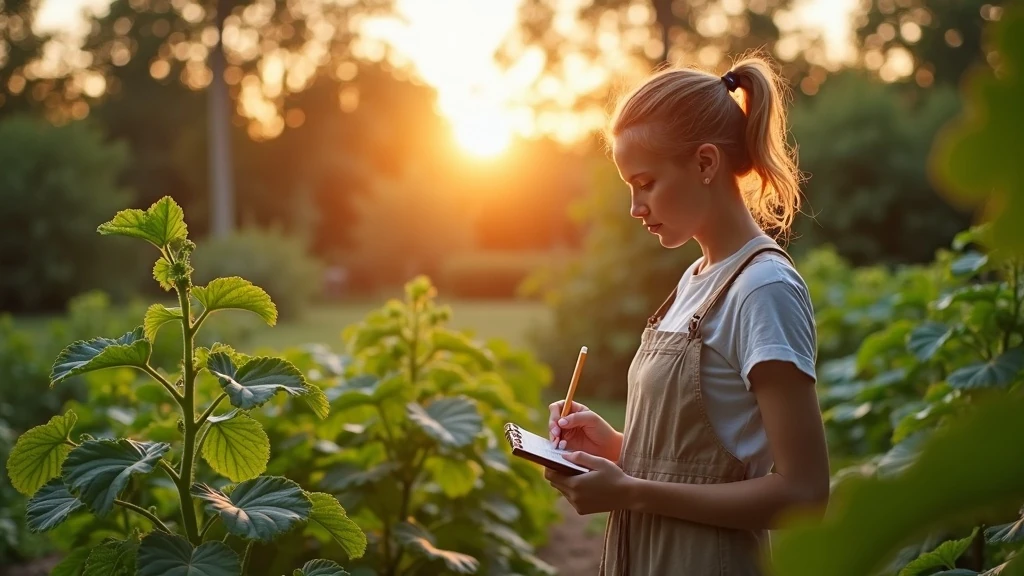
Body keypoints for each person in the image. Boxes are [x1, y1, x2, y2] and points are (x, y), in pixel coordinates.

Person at [545, 54, 831, 575]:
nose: (635, 207)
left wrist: (632, 493)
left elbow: (804, 493)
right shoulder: (695, 280)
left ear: (704, 163)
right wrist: (611, 447)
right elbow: (698, 463)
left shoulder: (762, 288)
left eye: (646, 182)